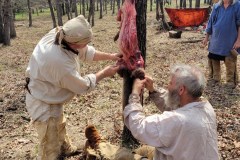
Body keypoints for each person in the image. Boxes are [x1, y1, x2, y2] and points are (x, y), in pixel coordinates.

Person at [25, 15, 120, 160]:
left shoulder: (62, 34)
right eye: (85, 42)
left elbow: (86, 52)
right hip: (42, 100)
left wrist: (111, 56)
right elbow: (83, 86)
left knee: (59, 124)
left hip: (50, 92)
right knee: (50, 141)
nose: (87, 45)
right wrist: (104, 73)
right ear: (76, 43)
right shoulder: (58, 62)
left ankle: (65, 148)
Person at [123, 64, 219, 160]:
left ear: (181, 89)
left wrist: (135, 94)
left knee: (121, 155)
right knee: (144, 150)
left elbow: (138, 126)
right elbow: (174, 106)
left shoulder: (178, 120)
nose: (167, 86)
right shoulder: (206, 106)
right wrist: (153, 90)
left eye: (170, 83)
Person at [202, 0, 240, 88]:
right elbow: (210, 22)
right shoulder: (216, 6)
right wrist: (206, 37)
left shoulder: (237, 5)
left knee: (230, 60)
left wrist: (238, 40)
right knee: (213, 58)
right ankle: (215, 78)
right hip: (215, 39)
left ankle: (231, 81)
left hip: (230, 40)